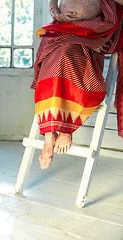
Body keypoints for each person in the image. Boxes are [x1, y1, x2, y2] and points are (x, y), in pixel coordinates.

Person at [31, 0, 123, 169]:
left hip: (91, 31)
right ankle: (49, 134)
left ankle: (65, 129)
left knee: (66, 56)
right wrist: (55, 12)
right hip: (62, 27)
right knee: (50, 62)